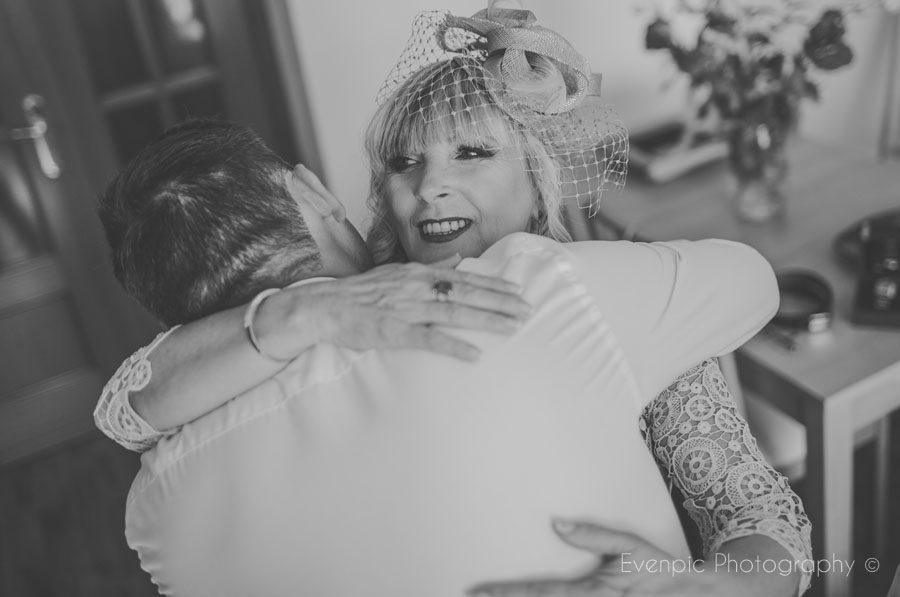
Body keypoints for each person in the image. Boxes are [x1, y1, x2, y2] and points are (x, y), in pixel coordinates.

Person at [96, 5, 811, 596]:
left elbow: (760, 515)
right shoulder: (362, 300)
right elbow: (126, 410)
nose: (429, 185)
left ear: (537, 177)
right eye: (405, 163)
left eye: (471, 153)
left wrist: (722, 585)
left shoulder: (602, 299)